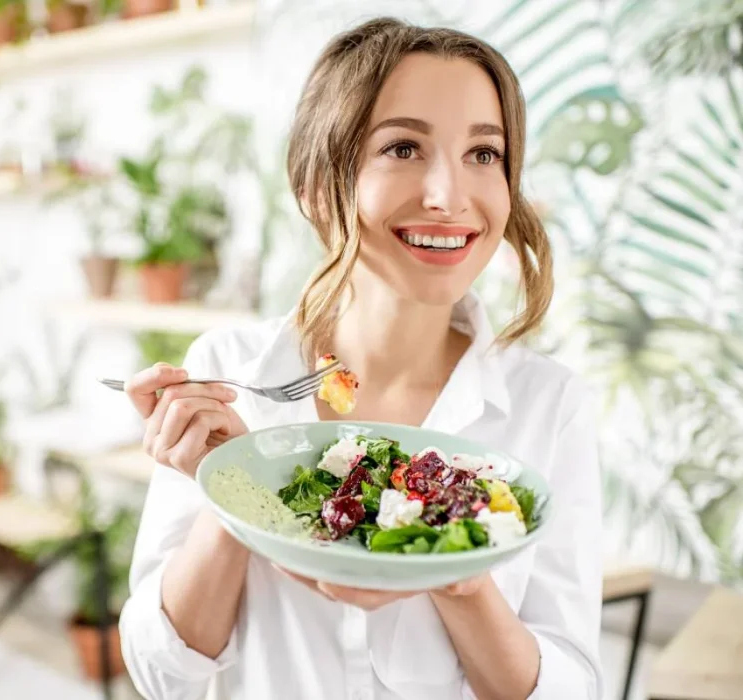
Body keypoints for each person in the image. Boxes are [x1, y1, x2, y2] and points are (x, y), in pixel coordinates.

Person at [118, 17, 603, 700]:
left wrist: (462, 581)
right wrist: (235, 492)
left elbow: (572, 687)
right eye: (403, 147)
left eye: (484, 155)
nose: (449, 196)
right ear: (318, 186)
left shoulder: (549, 406)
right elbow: (162, 673)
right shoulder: (231, 370)